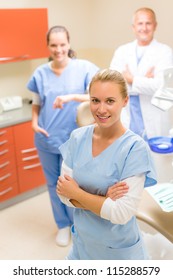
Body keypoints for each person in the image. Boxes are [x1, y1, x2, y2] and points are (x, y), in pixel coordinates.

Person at [56, 69, 157, 260]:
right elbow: (63, 194)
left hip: (118, 252)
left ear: (125, 101)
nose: (101, 109)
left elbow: (121, 213)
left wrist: (77, 193)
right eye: (95, 100)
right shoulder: (77, 138)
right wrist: (103, 198)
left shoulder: (134, 148)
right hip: (82, 246)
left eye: (110, 101)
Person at [27, 25, 99, 246]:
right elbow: (37, 103)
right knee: (53, 184)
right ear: (48, 46)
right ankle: (63, 225)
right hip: (47, 138)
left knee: (74, 185)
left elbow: (96, 95)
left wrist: (70, 97)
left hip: (75, 139)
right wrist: (34, 123)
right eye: (53, 45)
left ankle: (78, 225)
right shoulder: (40, 73)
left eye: (62, 44)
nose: (58, 49)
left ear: (69, 44)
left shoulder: (85, 68)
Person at [110, 7, 173, 139]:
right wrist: (144, 80)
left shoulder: (165, 52)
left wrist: (131, 79)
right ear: (133, 27)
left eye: (148, 23)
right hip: (127, 119)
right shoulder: (122, 52)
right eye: (140, 23)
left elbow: (161, 87)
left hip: (154, 122)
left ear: (155, 26)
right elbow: (114, 86)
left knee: (153, 158)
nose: (144, 28)